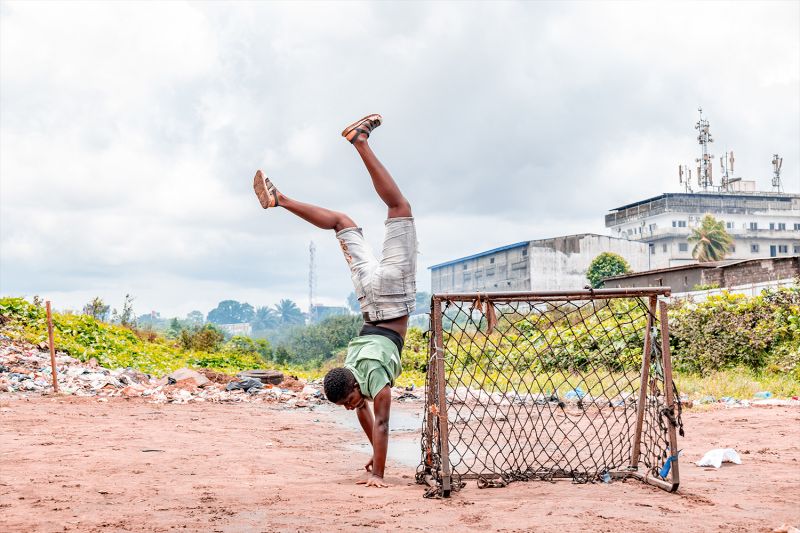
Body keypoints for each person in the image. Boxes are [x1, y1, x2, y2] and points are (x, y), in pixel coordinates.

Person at [253, 114, 416, 488]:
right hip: (369, 304)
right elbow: (364, 412)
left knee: (399, 209)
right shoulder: (353, 378)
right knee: (341, 221)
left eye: (349, 400)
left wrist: (379, 471)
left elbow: (384, 422)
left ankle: (360, 142)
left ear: (354, 386)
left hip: (389, 302)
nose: (352, 406)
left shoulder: (378, 385)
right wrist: (373, 455)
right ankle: (281, 199)